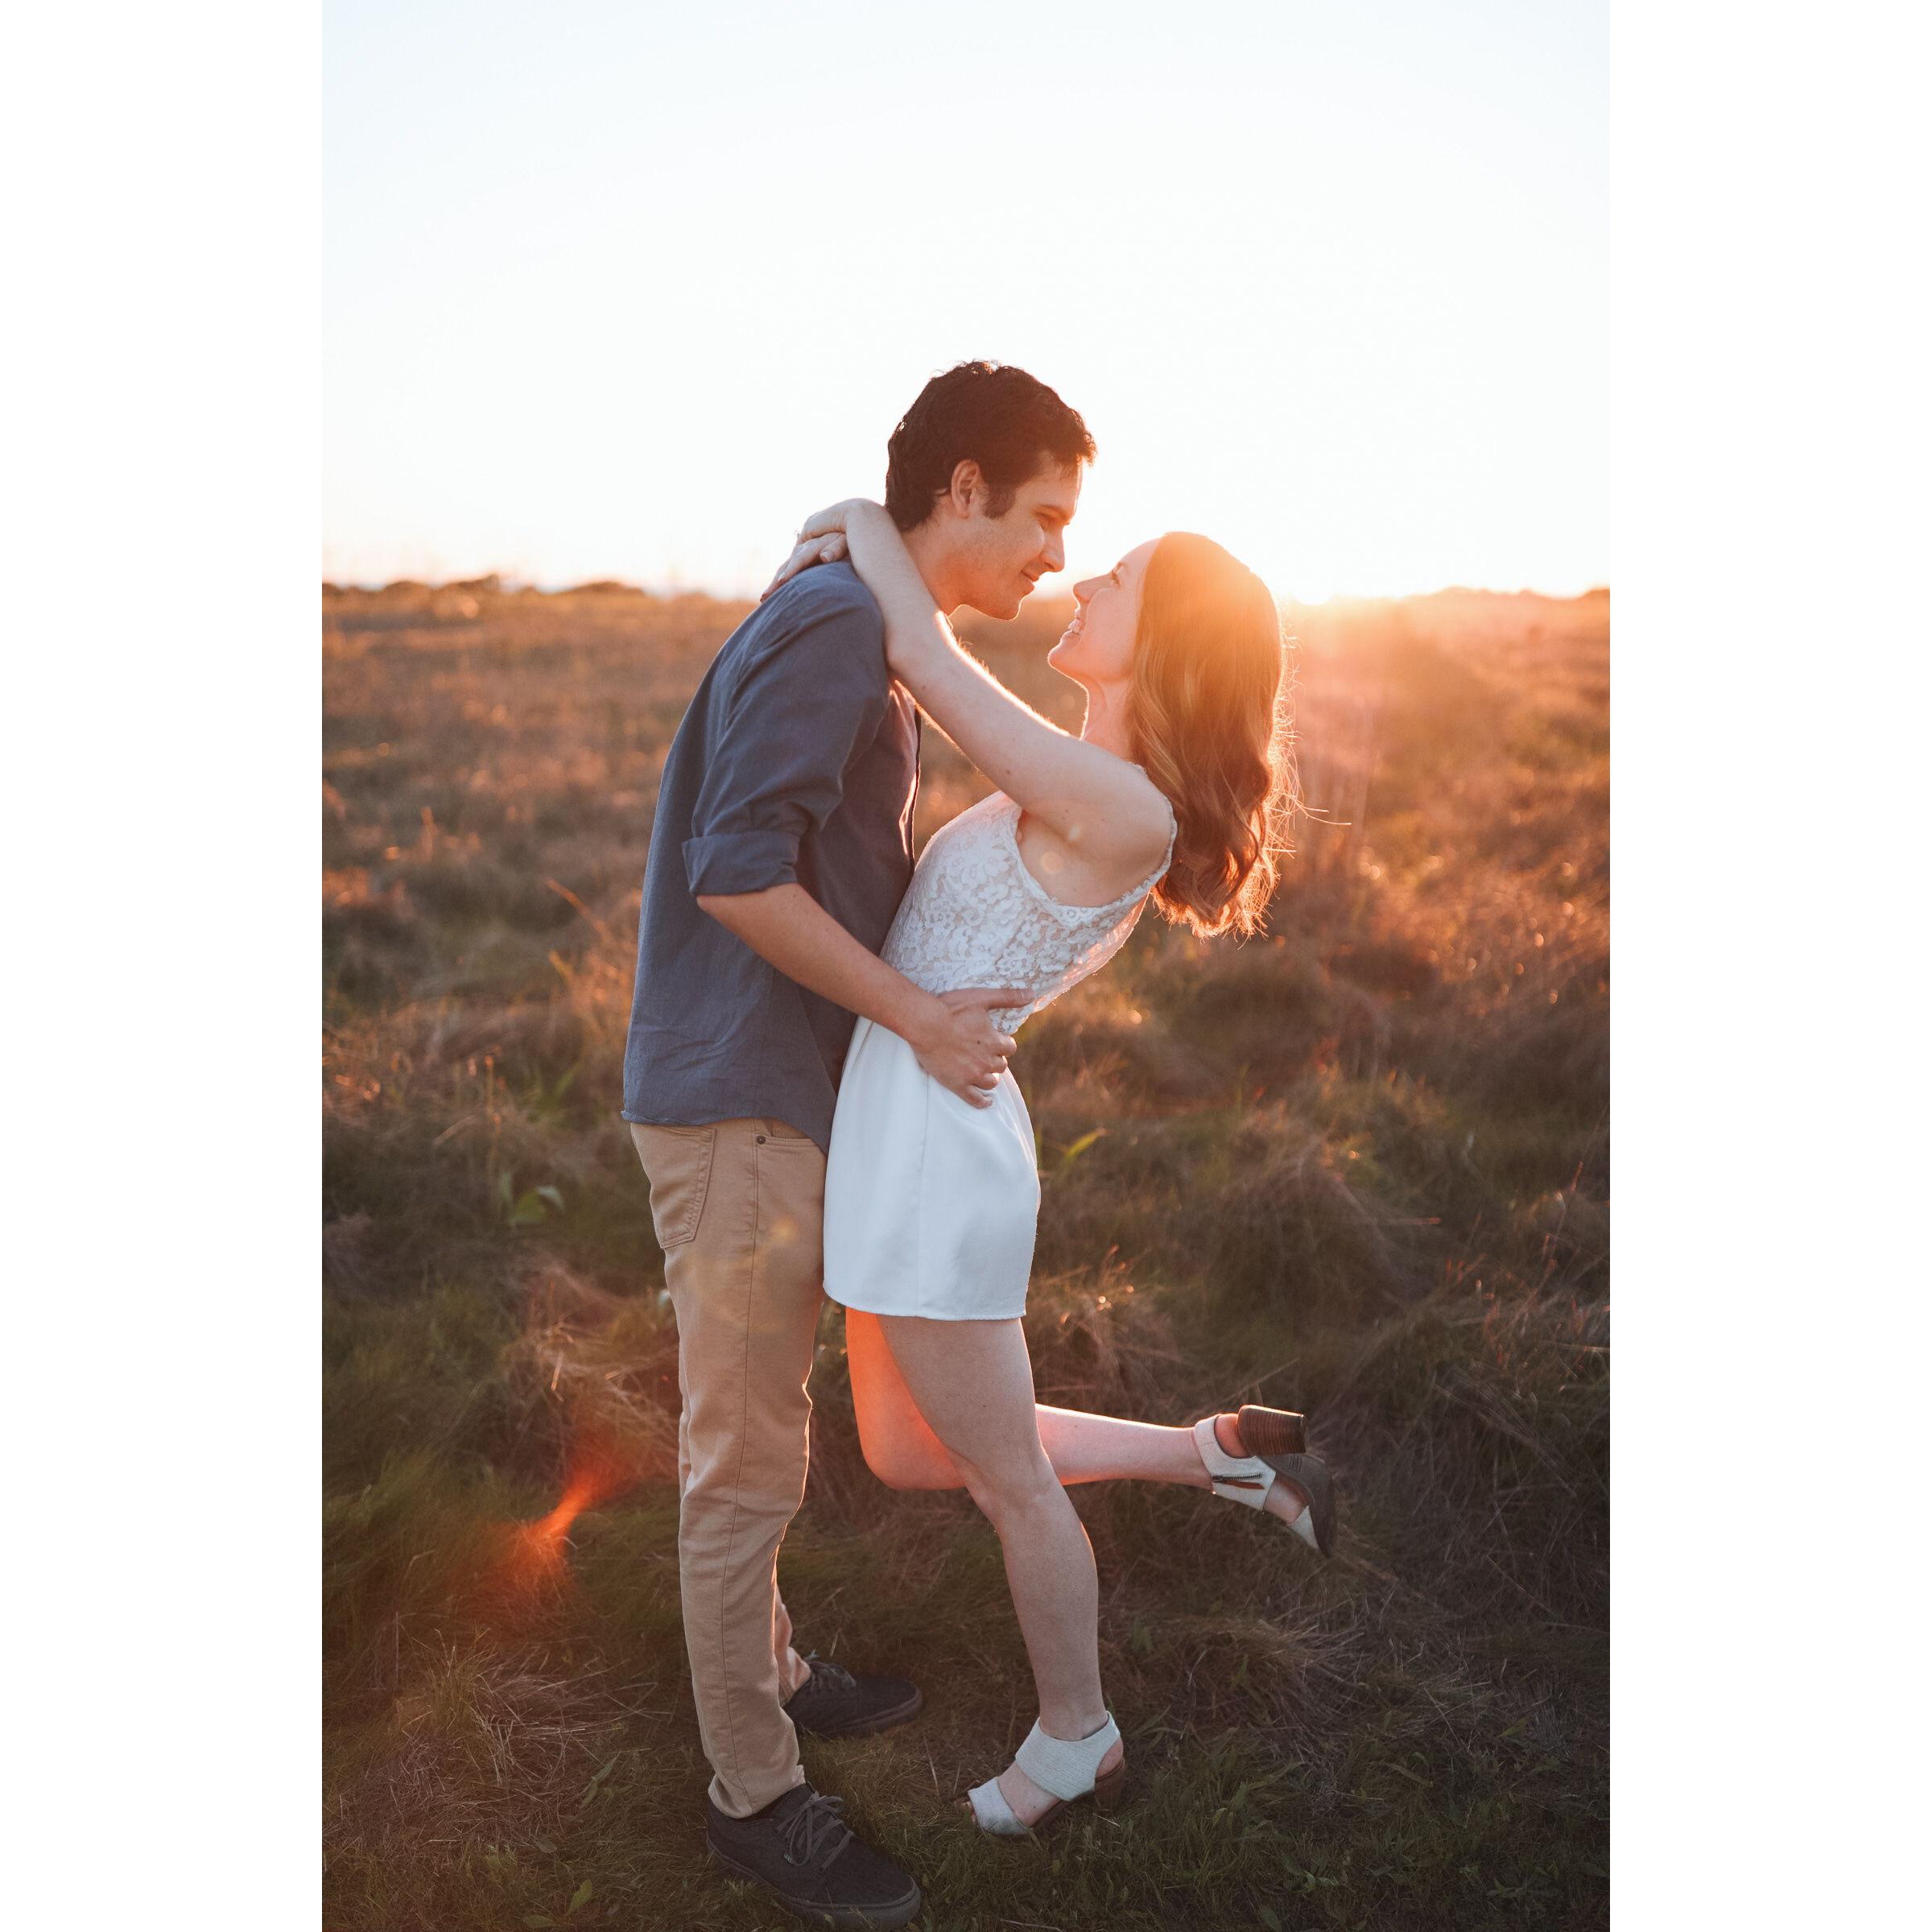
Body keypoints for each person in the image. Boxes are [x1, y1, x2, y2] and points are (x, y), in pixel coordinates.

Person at [757, 494, 1330, 1840]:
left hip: (942, 1159)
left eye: (1116, 581)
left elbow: (934, 668)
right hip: (910, 1121)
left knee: (1009, 1479)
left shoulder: (1122, 807)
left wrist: (856, 518)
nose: (1081, 584)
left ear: (1169, 644)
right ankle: (1222, 1456)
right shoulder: (1081, 774)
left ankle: (1078, 1736)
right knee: (908, 1452)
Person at [621, 361, 1096, 1929]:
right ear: (959, 486)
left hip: (775, 1095)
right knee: (743, 1460)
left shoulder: (859, 623)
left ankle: (772, 1665)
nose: (1050, 561)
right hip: (740, 1094)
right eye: (1039, 520)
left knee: (771, 1424)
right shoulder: (840, 625)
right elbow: (733, 873)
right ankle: (754, 1795)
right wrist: (920, 1015)